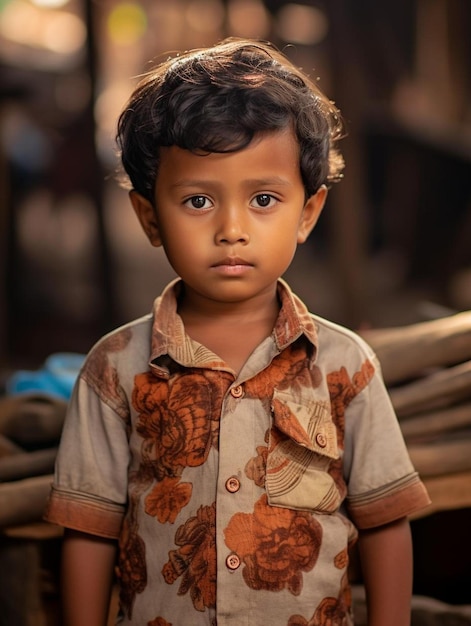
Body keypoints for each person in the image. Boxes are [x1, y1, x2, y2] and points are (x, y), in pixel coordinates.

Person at [44, 37, 431, 626]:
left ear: (308, 213)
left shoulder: (345, 365)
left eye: (264, 199)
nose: (231, 229)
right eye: (198, 200)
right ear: (149, 217)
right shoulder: (115, 368)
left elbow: (384, 521)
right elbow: (90, 530)